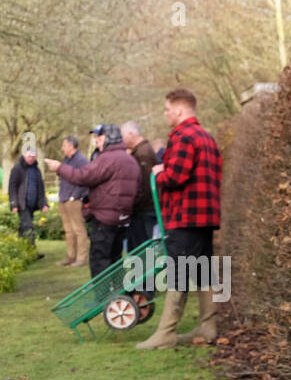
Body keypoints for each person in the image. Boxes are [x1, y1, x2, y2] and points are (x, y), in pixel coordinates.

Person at [137, 88, 223, 350]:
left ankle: (166, 333)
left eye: (167, 109)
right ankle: (209, 327)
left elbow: (176, 177)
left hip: (184, 217)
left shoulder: (183, 136)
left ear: (179, 110)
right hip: (206, 218)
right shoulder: (207, 138)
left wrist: (159, 172)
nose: (165, 114)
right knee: (204, 271)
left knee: (178, 273)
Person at [44, 123, 137, 278]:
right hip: (122, 219)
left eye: (98, 137)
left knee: (100, 262)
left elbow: (83, 177)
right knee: (115, 261)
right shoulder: (129, 159)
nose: (96, 141)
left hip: (104, 220)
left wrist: (59, 168)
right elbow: (137, 191)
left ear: (108, 138)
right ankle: (117, 298)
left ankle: (103, 299)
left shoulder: (107, 159)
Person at [122, 121, 157, 251]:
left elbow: (146, 185)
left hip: (144, 211)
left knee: (142, 249)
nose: (122, 139)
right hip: (142, 210)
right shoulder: (140, 151)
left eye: (123, 135)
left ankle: (144, 272)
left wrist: (135, 204)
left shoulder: (143, 153)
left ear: (131, 134)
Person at [55, 136, 89, 266]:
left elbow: (85, 180)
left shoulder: (81, 160)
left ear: (71, 146)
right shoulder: (66, 160)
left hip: (74, 201)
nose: (62, 148)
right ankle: (70, 257)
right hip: (63, 199)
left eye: (64, 145)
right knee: (68, 231)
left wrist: (75, 196)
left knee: (78, 230)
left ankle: (81, 259)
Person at [7, 146, 48, 254]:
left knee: (23, 227)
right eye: (29, 156)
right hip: (22, 204)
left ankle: (21, 251)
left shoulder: (36, 170)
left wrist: (44, 203)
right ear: (24, 155)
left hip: (32, 204)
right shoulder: (17, 169)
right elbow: (12, 187)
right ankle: (32, 252)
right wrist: (13, 204)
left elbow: (41, 189)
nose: (31, 158)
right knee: (28, 227)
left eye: (33, 156)